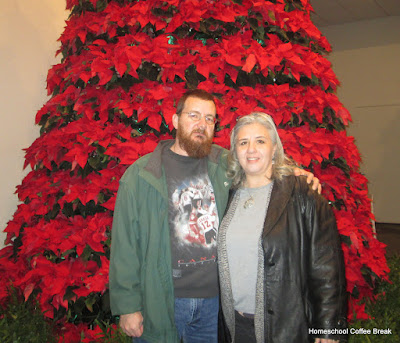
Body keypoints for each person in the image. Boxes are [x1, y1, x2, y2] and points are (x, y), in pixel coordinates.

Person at [109, 90, 320, 343]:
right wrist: (128, 306)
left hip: (214, 306)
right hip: (161, 300)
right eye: (194, 115)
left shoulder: (224, 164)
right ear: (175, 121)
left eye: (209, 119)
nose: (202, 125)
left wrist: (294, 173)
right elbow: (124, 246)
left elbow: (258, 162)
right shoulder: (141, 175)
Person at [217, 112, 347, 343]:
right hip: (235, 326)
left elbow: (326, 265)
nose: (251, 149)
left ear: (274, 148)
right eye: (243, 142)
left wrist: (328, 329)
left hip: (287, 327)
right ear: (235, 151)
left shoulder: (302, 193)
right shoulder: (227, 195)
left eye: (260, 141)